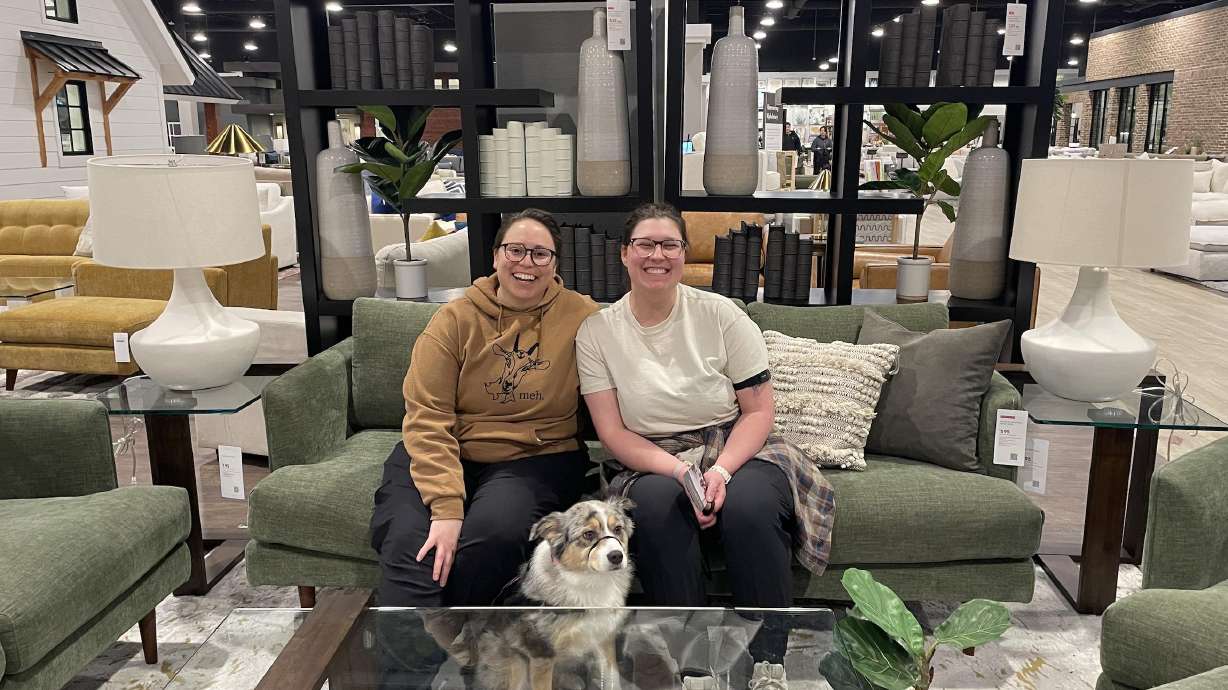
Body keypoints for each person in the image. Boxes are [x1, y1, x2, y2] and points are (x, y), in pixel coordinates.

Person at [575, 202, 835, 611]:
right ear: (624, 253)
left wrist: (720, 471)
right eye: (645, 244)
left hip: (733, 445)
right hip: (653, 455)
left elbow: (757, 412)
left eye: (669, 245)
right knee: (657, 510)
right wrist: (681, 472)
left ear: (684, 253)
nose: (657, 255)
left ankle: (768, 646)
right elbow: (613, 432)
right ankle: (686, 646)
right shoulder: (597, 332)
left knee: (750, 508)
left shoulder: (720, 314)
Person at [370, 208, 599, 607]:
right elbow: (427, 416)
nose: (526, 263)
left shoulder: (582, 317)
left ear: (555, 264)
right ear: (495, 256)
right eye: (515, 250)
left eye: (540, 254)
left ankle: (465, 642)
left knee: (491, 539)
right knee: (412, 545)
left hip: (534, 457)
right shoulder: (454, 319)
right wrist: (446, 508)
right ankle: (411, 648)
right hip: (446, 448)